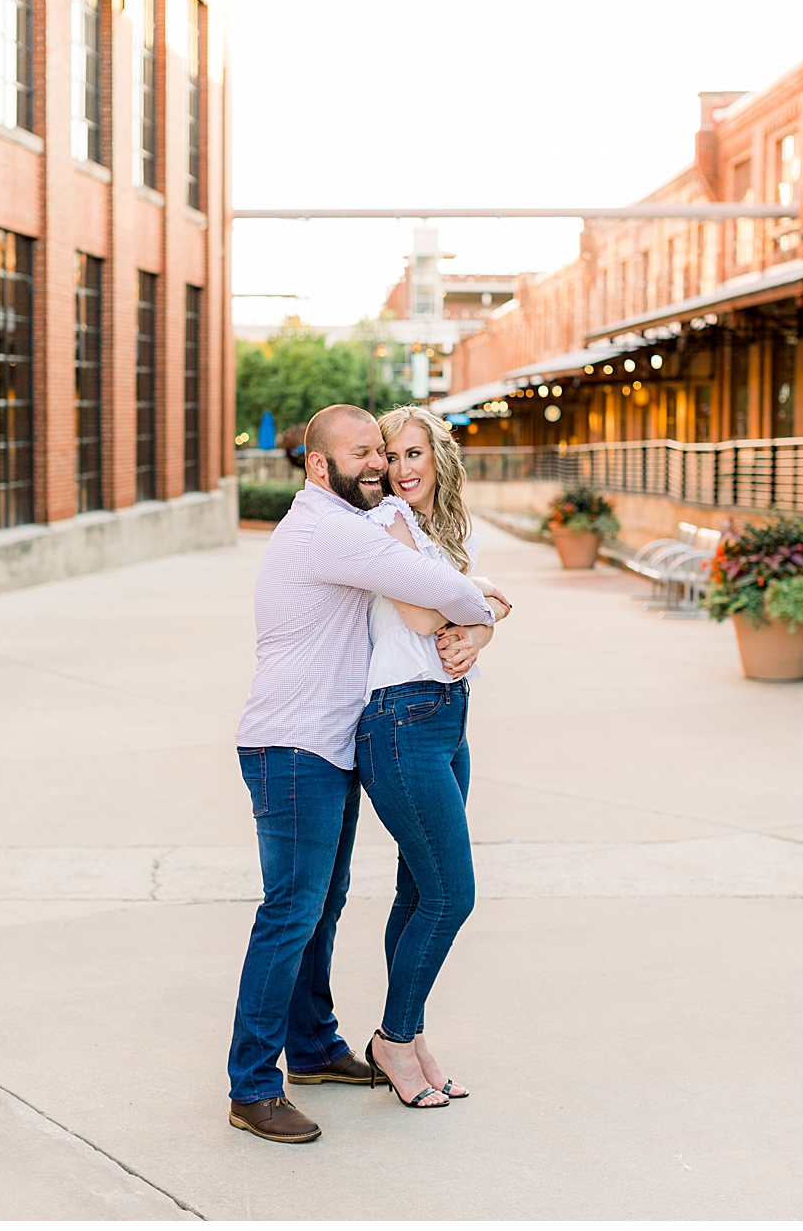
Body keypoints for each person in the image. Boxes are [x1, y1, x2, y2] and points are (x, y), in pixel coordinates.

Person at [227, 403, 504, 1143]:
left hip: (329, 741)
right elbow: (435, 592)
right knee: (291, 910)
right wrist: (490, 610)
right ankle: (253, 1085)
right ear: (318, 466)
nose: (379, 463)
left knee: (321, 904)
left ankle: (314, 1049)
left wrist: (473, 620)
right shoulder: (331, 529)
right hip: (291, 744)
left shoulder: (351, 522)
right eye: (363, 453)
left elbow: (434, 591)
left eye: (381, 451)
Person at [352, 405, 499, 1109]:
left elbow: (468, 623)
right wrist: (483, 612)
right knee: (451, 894)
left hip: (447, 718)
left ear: (437, 456)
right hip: (401, 721)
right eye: (392, 456)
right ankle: (393, 1038)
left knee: (419, 892)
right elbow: (419, 615)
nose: (403, 469)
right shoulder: (382, 525)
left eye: (415, 454)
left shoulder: (433, 534)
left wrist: (479, 629)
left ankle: (409, 1042)